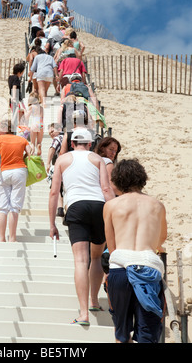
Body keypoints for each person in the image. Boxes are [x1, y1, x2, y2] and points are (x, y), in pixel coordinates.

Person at [49, 128, 115, 325]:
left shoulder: (63, 160)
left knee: (80, 261)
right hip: (98, 207)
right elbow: (106, 188)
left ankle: (84, 313)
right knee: (96, 257)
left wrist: (52, 223)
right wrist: (115, 215)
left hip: (76, 206)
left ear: (72, 143)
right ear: (90, 144)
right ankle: (94, 301)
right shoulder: (97, 159)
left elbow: (54, 192)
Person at [103, 159, 167, 343]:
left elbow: (111, 244)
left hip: (120, 267)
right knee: (147, 334)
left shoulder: (111, 206)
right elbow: (161, 238)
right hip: (148, 267)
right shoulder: (157, 205)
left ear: (118, 180)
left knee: (121, 334)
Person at [0, 119, 31, 242]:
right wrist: (24, 157)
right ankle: (13, 238)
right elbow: (31, 151)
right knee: (14, 206)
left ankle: (2, 238)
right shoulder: (22, 139)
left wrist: (3, 163)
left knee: (2, 207)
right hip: (20, 171)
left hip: (5, 171)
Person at [47, 123, 64, 217]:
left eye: (53, 131)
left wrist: (48, 163)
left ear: (59, 129)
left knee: (57, 188)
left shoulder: (58, 138)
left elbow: (52, 149)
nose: (51, 134)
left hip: (60, 167)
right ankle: (62, 209)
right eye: (49, 133)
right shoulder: (68, 137)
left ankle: (60, 209)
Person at [24, 91, 44, 156]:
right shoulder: (41, 107)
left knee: (32, 143)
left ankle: (32, 154)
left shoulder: (32, 107)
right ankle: (39, 146)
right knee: (39, 142)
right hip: (41, 124)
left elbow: (27, 116)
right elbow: (42, 117)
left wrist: (24, 111)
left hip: (34, 123)